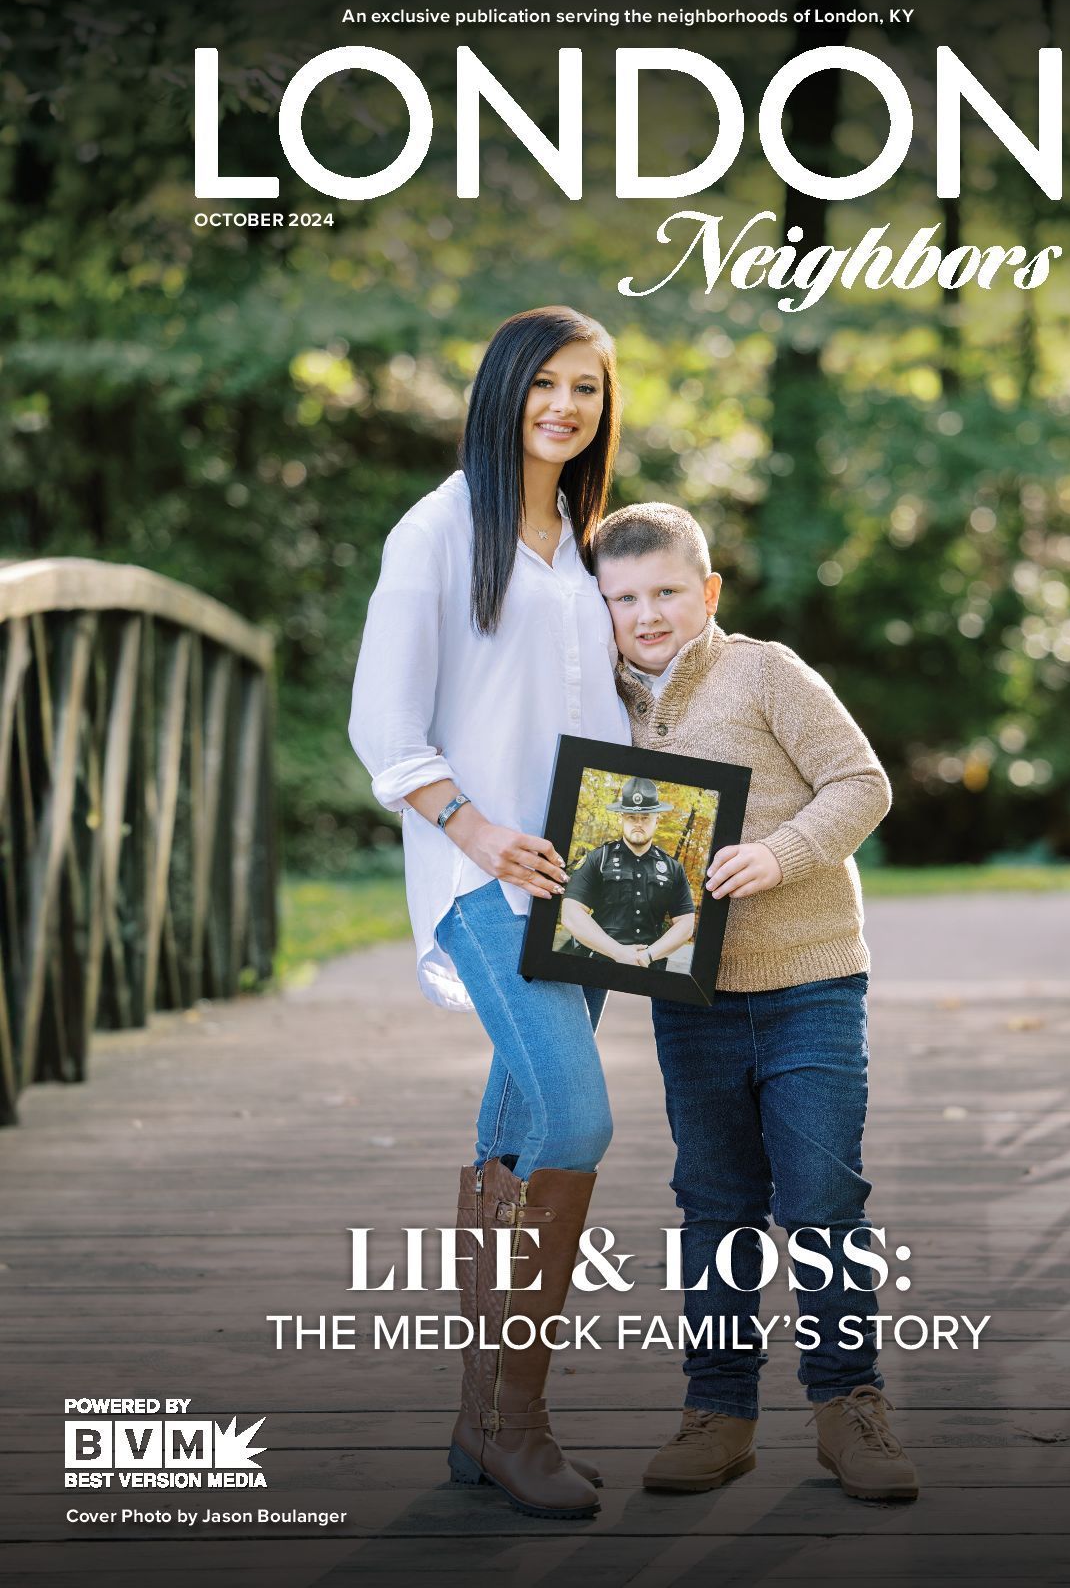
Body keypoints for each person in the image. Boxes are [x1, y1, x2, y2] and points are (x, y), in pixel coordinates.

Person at [348, 307, 629, 1521]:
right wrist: (472, 829)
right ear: (502, 391)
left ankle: (482, 1423)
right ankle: (520, 1422)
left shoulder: (588, 542)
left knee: (520, 1128)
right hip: (485, 880)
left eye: (586, 388)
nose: (563, 405)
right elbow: (381, 724)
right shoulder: (436, 529)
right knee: (577, 1114)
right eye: (544, 383)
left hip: (595, 891)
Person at [593, 501, 921, 1504]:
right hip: (688, 996)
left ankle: (848, 1404)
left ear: (707, 591)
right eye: (622, 598)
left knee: (821, 1195)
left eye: (665, 591)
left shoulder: (764, 671)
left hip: (809, 979)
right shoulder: (595, 698)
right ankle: (719, 1411)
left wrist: (781, 853)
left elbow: (860, 783)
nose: (647, 614)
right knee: (715, 1201)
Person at [561, 776, 695, 967]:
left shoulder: (673, 868)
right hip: (596, 964)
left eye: (645, 817)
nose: (638, 823)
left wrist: (647, 956)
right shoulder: (598, 859)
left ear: (657, 821)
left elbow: (686, 924)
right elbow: (570, 913)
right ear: (621, 818)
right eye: (631, 817)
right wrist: (619, 953)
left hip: (650, 967)